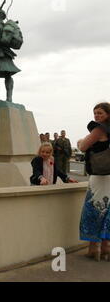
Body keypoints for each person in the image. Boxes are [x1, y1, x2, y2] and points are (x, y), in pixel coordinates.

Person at [78, 102, 110, 261]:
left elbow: (83, 146)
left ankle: (93, 250)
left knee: (94, 211)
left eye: (100, 113)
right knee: (108, 212)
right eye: (95, 113)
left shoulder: (99, 129)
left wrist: (79, 142)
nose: (96, 116)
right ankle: (106, 249)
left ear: (108, 115)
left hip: (99, 177)